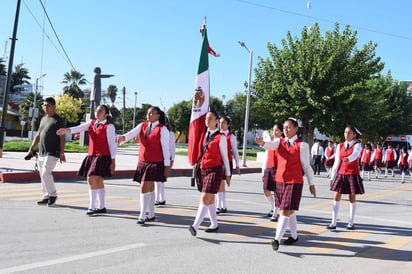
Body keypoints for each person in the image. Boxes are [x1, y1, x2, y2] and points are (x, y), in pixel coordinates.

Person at [255, 117, 316, 252]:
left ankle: (277, 238)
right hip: (280, 181)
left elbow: (306, 166)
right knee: (290, 210)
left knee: (284, 210)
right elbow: (270, 146)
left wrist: (311, 183)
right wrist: (262, 143)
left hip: (294, 182)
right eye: (284, 128)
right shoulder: (279, 142)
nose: (286, 130)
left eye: (289, 127)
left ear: (295, 129)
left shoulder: (302, 145)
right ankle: (294, 236)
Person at [56, 105, 116, 215]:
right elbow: (79, 128)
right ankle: (101, 207)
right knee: (98, 180)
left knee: (91, 178)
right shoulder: (92, 123)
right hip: (91, 155)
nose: (97, 113)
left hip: (102, 156)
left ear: (106, 114)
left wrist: (113, 161)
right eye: (97, 110)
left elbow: (112, 144)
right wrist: (66, 130)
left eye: (100, 111)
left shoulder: (109, 127)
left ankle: (92, 207)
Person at [117, 106, 171, 225]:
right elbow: (132, 133)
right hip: (143, 161)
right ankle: (151, 214)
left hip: (155, 162)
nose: (149, 115)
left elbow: (166, 150)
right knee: (150, 187)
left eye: (152, 113)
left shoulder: (163, 129)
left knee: (143, 187)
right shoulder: (143, 125)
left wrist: (167, 167)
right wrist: (123, 138)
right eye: (148, 113)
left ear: (158, 115)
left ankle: (142, 215)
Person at [188, 111, 231, 237]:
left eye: (210, 119)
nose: (207, 121)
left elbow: (225, 157)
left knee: (205, 197)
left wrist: (227, 175)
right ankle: (214, 224)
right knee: (210, 199)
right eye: (206, 119)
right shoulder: (204, 135)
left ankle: (195, 226)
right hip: (203, 169)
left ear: (216, 121)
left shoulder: (221, 137)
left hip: (215, 170)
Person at [28, 97, 66, 207]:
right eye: (44, 105)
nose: (45, 107)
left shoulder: (58, 120)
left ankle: (53, 195)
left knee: (45, 172)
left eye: (48, 105)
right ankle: (46, 195)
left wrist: (62, 153)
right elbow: (38, 135)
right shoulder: (43, 119)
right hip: (42, 152)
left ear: (54, 106)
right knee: (42, 174)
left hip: (53, 152)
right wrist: (31, 148)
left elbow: (62, 138)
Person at [327, 125, 364, 230]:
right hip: (342, 173)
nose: (346, 135)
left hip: (352, 173)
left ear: (354, 135)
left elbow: (355, 155)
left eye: (349, 133)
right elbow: (337, 161)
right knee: (336, 196)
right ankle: (333, 222)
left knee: (352, 197)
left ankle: (351, 222)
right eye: (345, 132)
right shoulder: (340, 146)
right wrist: (332, 177)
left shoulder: (357, 145)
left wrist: (349, 158)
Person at [216, 116, 240, 214]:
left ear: (228, 125)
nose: (221, 125)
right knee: (220, 184)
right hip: (217, 161)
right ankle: (223, 206)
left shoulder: (231, 137)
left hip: (227, 162)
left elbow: (235, 152)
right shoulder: (216, 135)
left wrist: (237, 165)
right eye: (220, 123)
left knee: (221, 183)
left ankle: (219, 206)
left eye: (223, 123)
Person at [261, 123, 283, 221]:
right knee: (266, 190)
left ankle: (275, 213)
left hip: (278, 169)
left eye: (277, 130)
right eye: (273, 130)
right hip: (269, 169)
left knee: (277, 192)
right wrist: (263, 171)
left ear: (281, 132)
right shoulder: (270, 142)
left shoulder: (281, 142)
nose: (275, 132)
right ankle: (273, 205)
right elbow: (266, 157)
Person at [154, 116, 176, 206]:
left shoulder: (170, 134)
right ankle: (161, 199)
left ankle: (158, 199)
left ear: (167, 123)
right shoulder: (157, 132)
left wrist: (172, 160)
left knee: (160, 179)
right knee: (158, 180)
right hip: (158, 157)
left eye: (164, 122)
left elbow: (172, 148)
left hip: (166, 158)